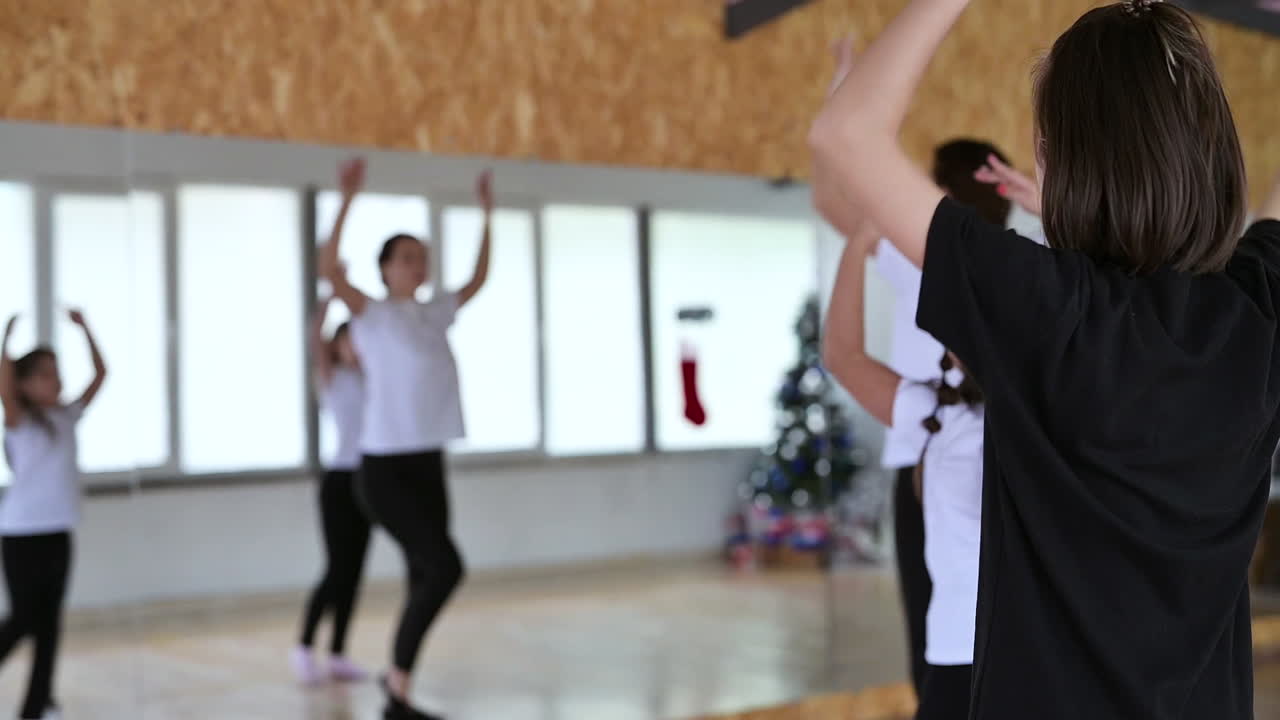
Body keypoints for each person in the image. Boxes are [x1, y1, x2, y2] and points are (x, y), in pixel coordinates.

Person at [810, 0, 1280, 717]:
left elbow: (847, 133)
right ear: (1213, 151)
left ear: (1057, 160)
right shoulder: (1257, 311)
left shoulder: (1042, 309)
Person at [320, 157, 494, 720]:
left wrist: (488, 215)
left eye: (423, 258)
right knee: (446, 568)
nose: (418, 266)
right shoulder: (371, 315)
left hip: (427, 461)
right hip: (385, 468)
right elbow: (329, 267)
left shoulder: (434, 313)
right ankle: (394, 686)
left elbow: (478, 279)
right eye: (407, 258)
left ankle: (399, 692)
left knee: (425, 573)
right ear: (386, 268)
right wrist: (346, 199)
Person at [821, 217, 985, 720]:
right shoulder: (942, 414)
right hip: (968, 653)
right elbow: (843, 355)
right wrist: (860, 242)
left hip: (992, 658)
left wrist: (862, 240)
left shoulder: (1020, 420)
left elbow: (842, 355)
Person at [874, 137, 1014, 697]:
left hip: (935, 435)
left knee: (939, 614)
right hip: (955, 431)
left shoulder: (927, 255)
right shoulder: (1020, 257)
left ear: (945, 192)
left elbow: (842, 184)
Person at [0, 310, 106, 720]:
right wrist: (6, 343)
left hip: (58, 533)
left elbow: (101, 374)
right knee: (23, 618)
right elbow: (5, 386)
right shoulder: (20, 422)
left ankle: (38, 704)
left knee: (49, 626)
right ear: (24, 385)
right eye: (44, 374)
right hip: (21, 535)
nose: (55, 380)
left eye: (56, 372)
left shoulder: (66, 416)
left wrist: (85, 329)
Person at [291, 297, 372, 686]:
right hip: (339, 482)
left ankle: (338, 652)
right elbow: (314, 340)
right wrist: (330, 298)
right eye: (348, 340)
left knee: (355, 572)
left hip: (370, 482)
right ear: (338, 346)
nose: (355, 347)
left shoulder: (374, 380)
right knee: (337, 569)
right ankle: (304, 647)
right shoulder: (332, 379)